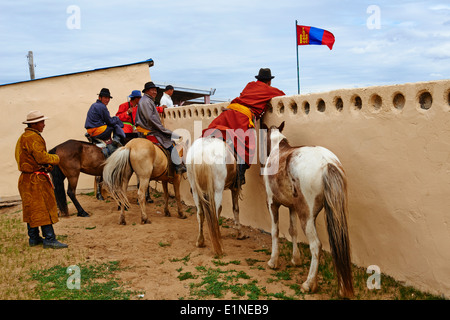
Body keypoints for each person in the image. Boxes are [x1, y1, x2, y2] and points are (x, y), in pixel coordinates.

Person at [202, 68, 285, 186]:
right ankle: (239, 176)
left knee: (210, 134)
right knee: (246, 146)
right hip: (241, 117)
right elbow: (282, 95)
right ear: (269, 81)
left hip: (228, 113)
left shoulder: (250, 85)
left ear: (258, 79)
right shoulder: (269, 90)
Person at [15, 110, 68, 249]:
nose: (44, 124)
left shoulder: (23, 137)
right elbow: (41, 157)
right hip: (36, 180)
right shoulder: (33, 137)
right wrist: (56, 158)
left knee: (31, 208)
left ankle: (33, 238)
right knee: (43, 207)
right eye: (41, 122)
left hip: (26, 178)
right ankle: (50, 238)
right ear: (34, 124)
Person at [135, 81, 186, 174]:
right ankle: (178, 166)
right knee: (170, 142)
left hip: (147, 127)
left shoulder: (147, 100)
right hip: (149, 129)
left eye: (155, 90)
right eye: (152, 90)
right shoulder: (146, 101)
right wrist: (163, 130)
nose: (155, 92)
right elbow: (151, 119)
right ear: (146, 91)